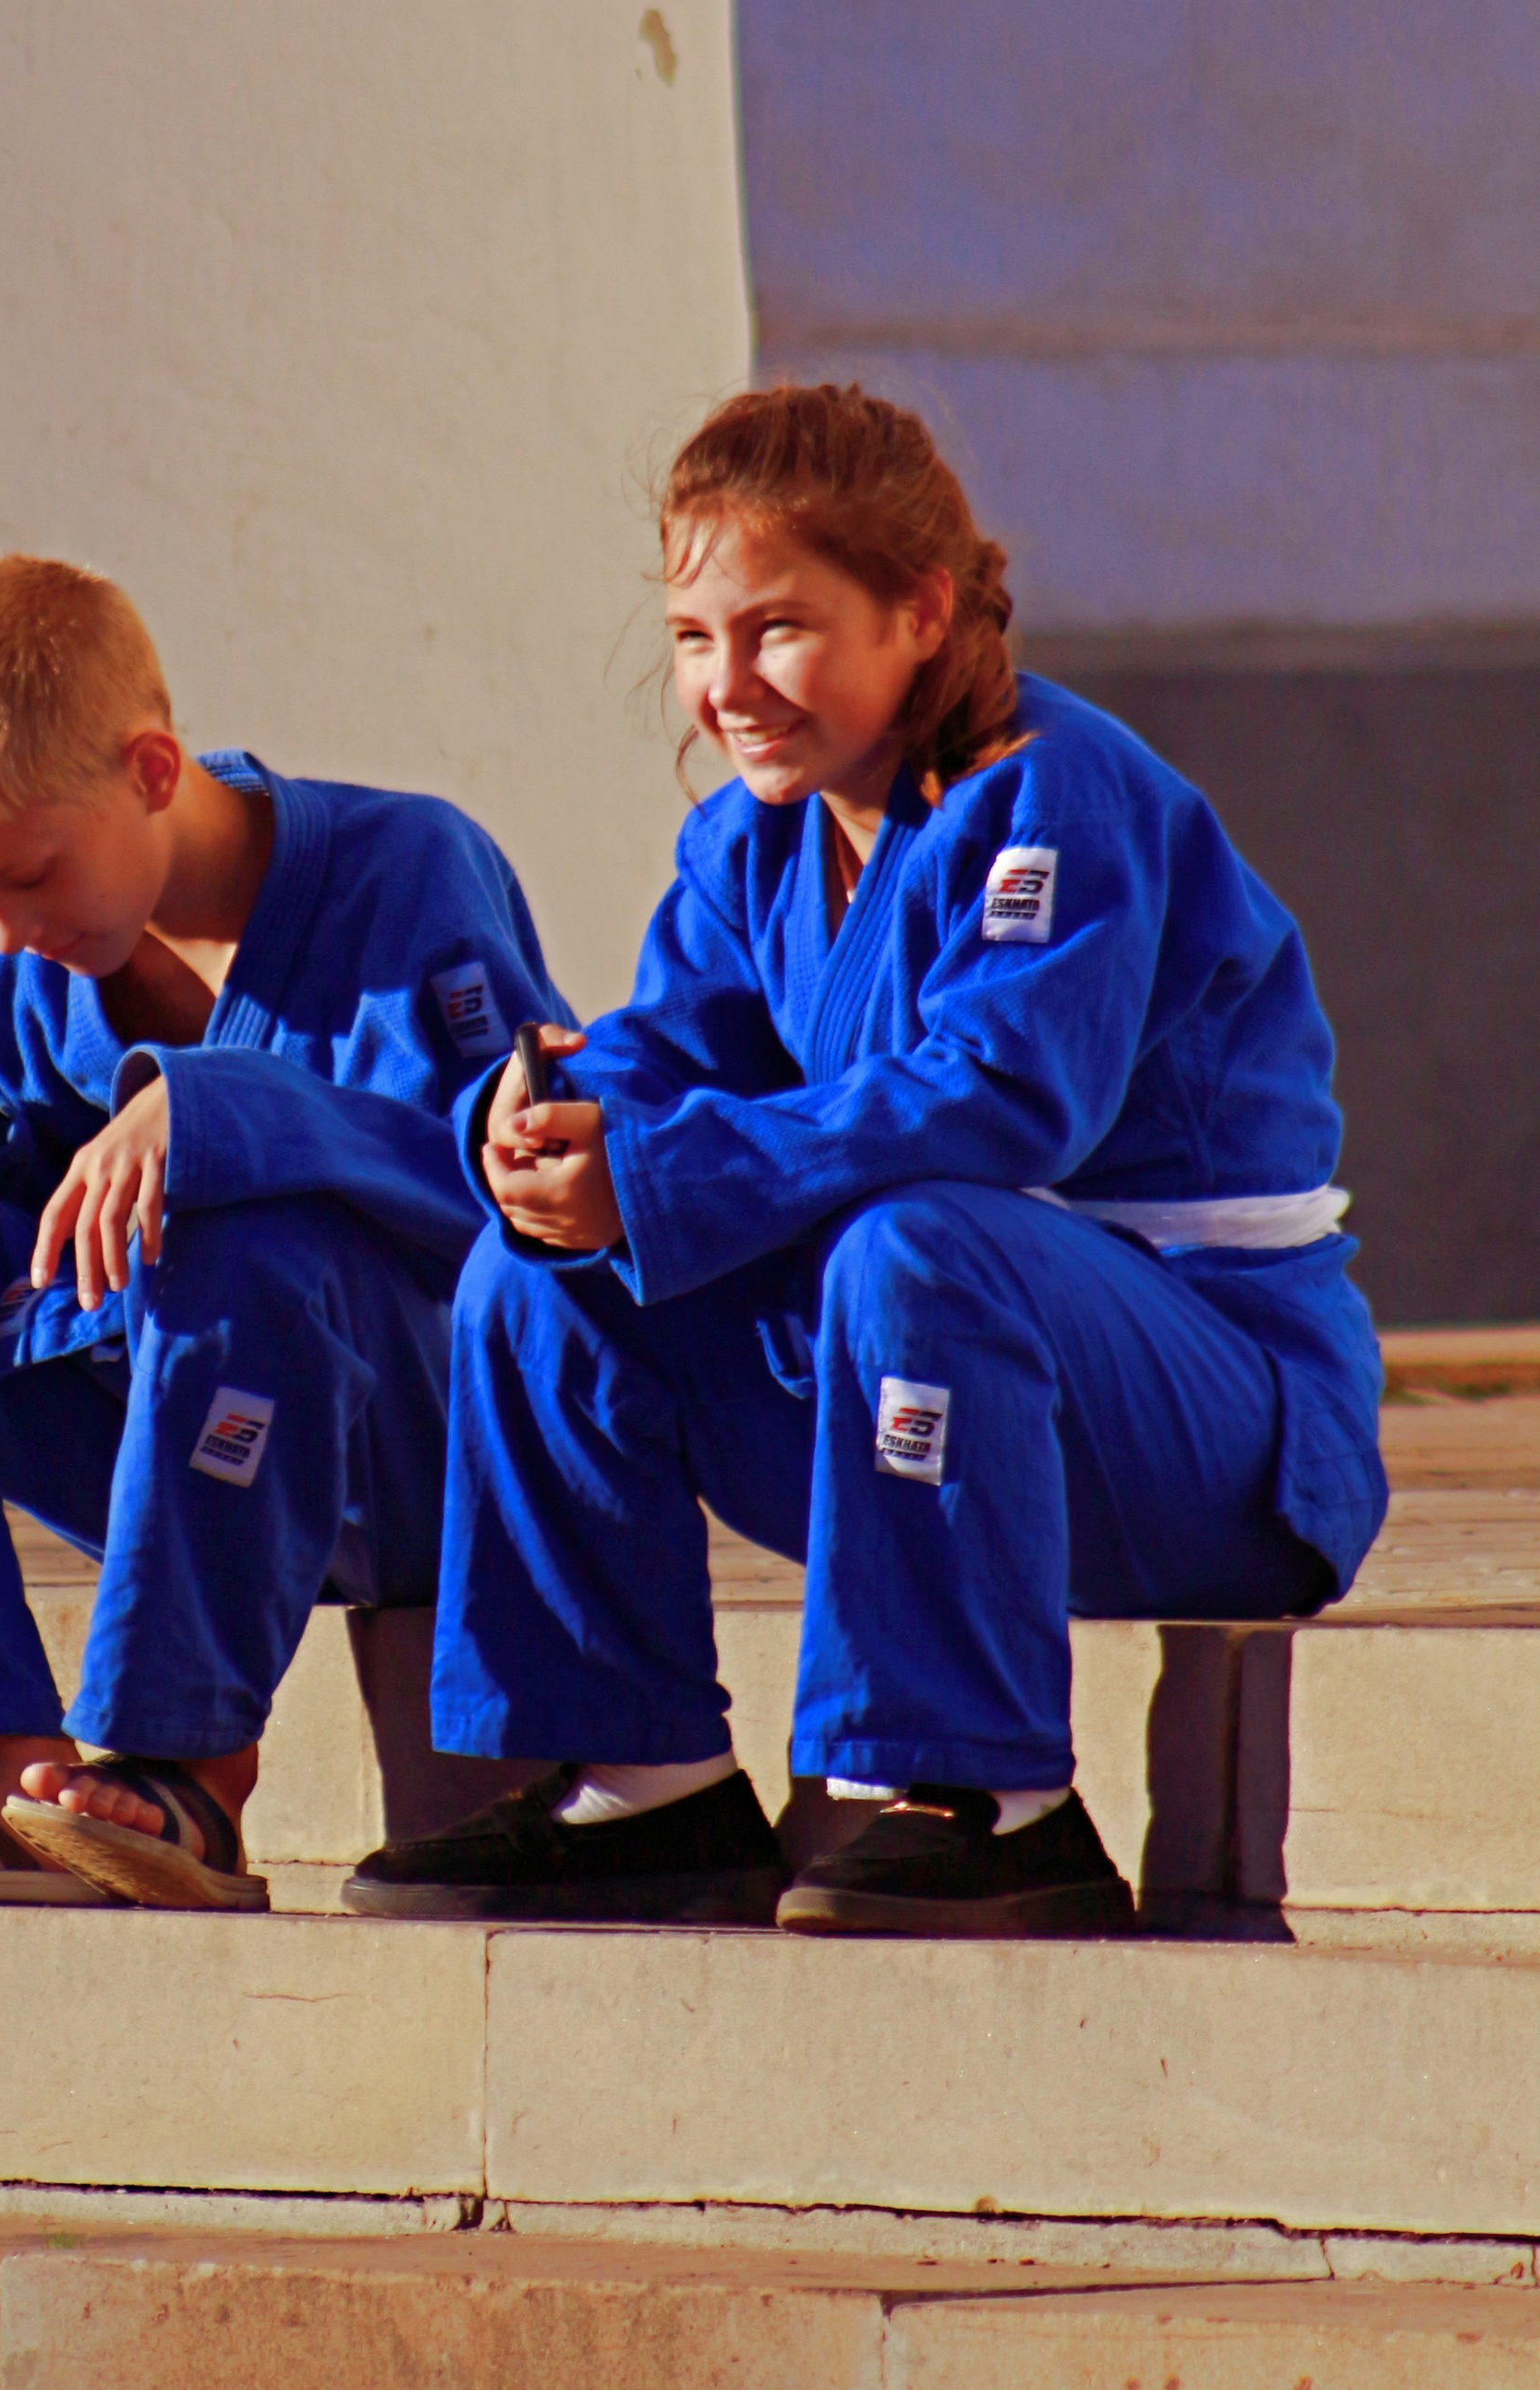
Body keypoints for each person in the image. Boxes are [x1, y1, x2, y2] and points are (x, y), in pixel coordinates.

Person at [345, 384, 1386, 1937]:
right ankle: (646, 1784)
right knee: (538, 1266)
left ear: (922, 608)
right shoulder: (752, 835)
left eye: (778, 629)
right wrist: (546, 1128)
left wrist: (668, 1167)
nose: (728, 685)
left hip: (1213, 1427)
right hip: (934, 1419)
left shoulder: (1056, 793)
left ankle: (996, 1801)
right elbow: (667, 1052)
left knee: (921, 1239)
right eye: (696, 637)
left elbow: (1005, 1099)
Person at [0, 552, 566, 1924]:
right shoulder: (26, 956)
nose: (7, 930)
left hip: (413, 1433)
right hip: (175, 1438)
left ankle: (187, 1769)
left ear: (155, 770)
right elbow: (7, 1162)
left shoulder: (412, 873)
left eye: (30, 876)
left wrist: (219, 1114)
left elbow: (504, 1195)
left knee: (243, 1230)